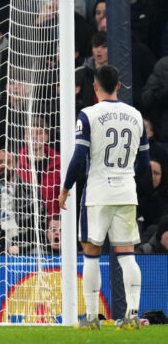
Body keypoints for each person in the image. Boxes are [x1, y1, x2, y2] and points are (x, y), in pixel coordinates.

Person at [60, 65, 149, 330]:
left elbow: (78, 158)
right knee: (127, 255)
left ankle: (90, 318)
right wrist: (125, 176)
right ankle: (132, 315)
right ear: (119, 86)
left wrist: (65, 189)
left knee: (91, 254)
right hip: (126, 192)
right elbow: (144, 163)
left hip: (98, 193)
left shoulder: (88, 115)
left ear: (95, 87)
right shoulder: (136, 116)